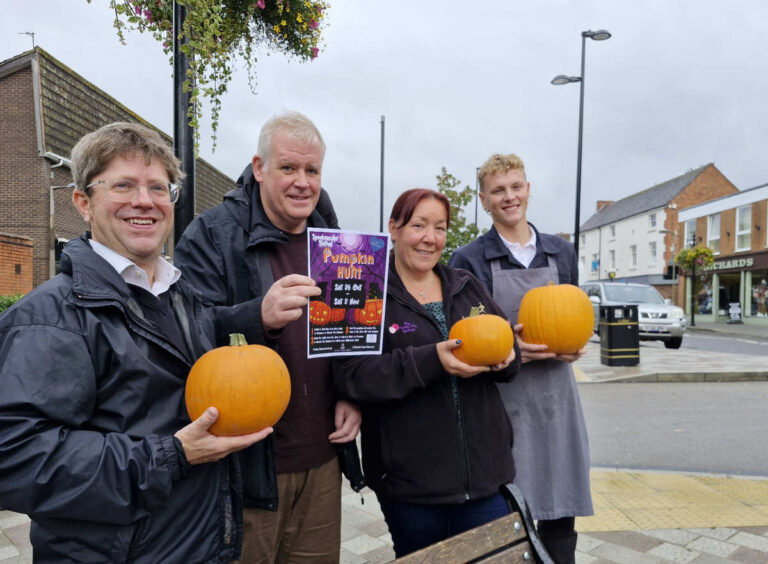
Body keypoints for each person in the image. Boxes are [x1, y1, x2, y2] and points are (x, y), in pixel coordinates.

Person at [0, 122, 272, 563]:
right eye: (123, 185)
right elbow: (16, 457)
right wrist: (170, 455)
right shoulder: (49, 316)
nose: (144, 201)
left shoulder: (185, 298)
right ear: (83, 203)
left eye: (158, 188)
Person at [174, 111, 364, 563]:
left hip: (322, 461)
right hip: (248, 465)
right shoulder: (212, 233)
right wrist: (256, 317)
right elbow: (185, 328)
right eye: (288, 168)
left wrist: (353, 394)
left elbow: (349, 339)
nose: (302, 182)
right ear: (259, 168)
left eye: (312, 170)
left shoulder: (337, 243)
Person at [333, 188, 520, 558]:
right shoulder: (367, 288)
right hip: (410, 486)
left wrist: (507, 358)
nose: (430, 238)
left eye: (439, 227)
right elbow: (352, 374)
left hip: (484, 479)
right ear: (394, 228)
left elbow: (509, 359)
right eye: (419, 225)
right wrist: (432, 360)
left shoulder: (466, 285)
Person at [450, 153, 593, 564]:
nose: (509, 197)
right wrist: (507, 351)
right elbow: (462, 338)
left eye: (516, 186)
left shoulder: (560, 252)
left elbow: (572, 314)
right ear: (484, 200)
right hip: (500, 402)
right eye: (498, 190)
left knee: (560, 511)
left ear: (528, 189)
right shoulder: (469, 260)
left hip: (556, 401)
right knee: (508, 515)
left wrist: (574, 344)